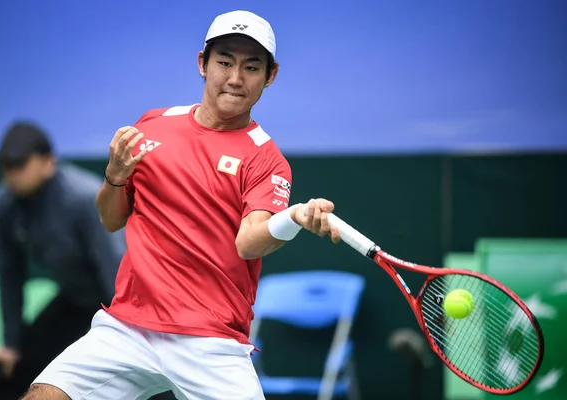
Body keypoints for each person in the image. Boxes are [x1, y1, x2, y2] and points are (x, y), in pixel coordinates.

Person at [21, 10, 340, 400]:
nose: (236, 78)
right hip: (127, 328)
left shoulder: (266, 160)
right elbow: (110, 219)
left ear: (270, 76)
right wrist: (115, 176)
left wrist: (293, 217)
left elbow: (249, 242)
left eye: (251, 67)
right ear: (202, 64)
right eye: (224, 62)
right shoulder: (151, 126)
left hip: (210, 342)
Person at [0, 122, 127, 400]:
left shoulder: (82, 198)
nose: (12, 174)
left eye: (20, 164)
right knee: (11, 370)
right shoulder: (1, 205)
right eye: (6, 165)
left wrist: (124, 334)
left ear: (48, 162)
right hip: (73, 302)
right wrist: (11, 343)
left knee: (143, 373)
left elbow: (116, 271)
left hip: (114, 303)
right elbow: (9, 276)